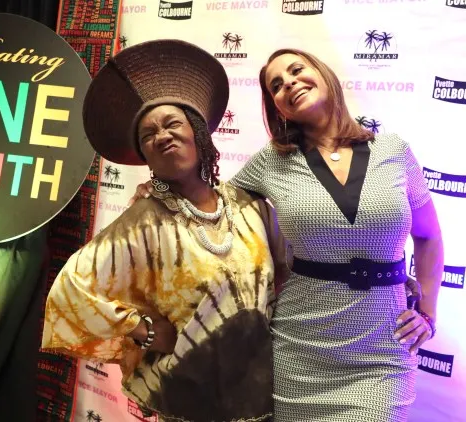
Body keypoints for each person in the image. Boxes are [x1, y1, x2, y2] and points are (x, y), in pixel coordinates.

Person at [131, 48, 444, 422]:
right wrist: (161, 191)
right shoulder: (272, 160)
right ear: (276, 106)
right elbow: (211, 205)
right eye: (276, 85)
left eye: (297, 70)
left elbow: (429, 236)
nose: (289, 83)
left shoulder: (393, 150)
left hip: (382, 351)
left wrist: (427, 312)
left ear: (323, 73)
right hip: (299, 348)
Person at [41, 40, 290, 422]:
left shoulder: (249, 205)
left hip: (266, 396)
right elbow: (68, 291)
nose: (162, 136)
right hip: (191, 403)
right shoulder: (142, 222)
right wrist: (142, 329)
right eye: (148, 135)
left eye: (172, 123)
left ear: (199, 133)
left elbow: (289, 281)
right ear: (145, 156)